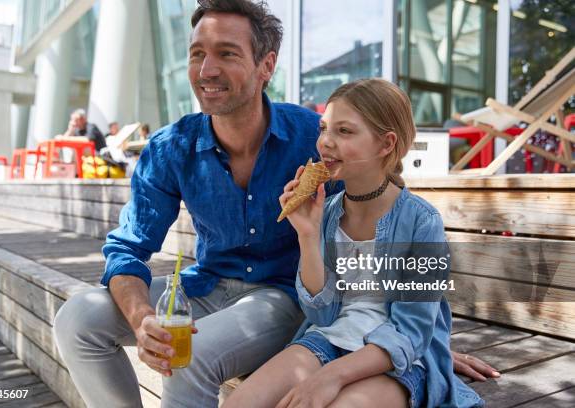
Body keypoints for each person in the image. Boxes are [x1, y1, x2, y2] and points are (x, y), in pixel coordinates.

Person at [52, 1, 497, 407]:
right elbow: (127, 250)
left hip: (281, 300)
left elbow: (390, 248)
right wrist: (142, 317)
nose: (206, 69)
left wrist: (422, 343)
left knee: (191, 358)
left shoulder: (317, 146)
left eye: (227, 53)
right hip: (210, 288)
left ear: (267, 65)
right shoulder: (171, 148)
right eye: (196, 53)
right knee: (76, 318)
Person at [224, 79, 485, 408]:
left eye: (344, 132)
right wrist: (307, 233)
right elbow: (321, 312)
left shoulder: (422, 222)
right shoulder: (328, 212)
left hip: (398, 361)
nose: (325, 143)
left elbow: (411, 333)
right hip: (330, 338)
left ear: (385, 144)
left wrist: (329, 377)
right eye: (323, 128)